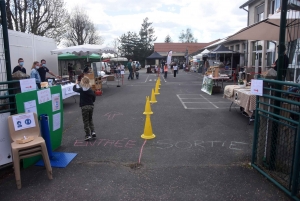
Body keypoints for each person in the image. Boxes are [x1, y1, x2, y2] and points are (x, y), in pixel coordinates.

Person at [73, 77, 96, 141]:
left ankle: (88, 135)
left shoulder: (81, 89)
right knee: (90, 119)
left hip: (84, 107)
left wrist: (75, 83)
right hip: (91, 106)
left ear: (82, 82)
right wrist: (92, 101)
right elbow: (94, 97)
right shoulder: (90, 90)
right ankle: (93, 131)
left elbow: (74, 89)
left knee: (85, 121)